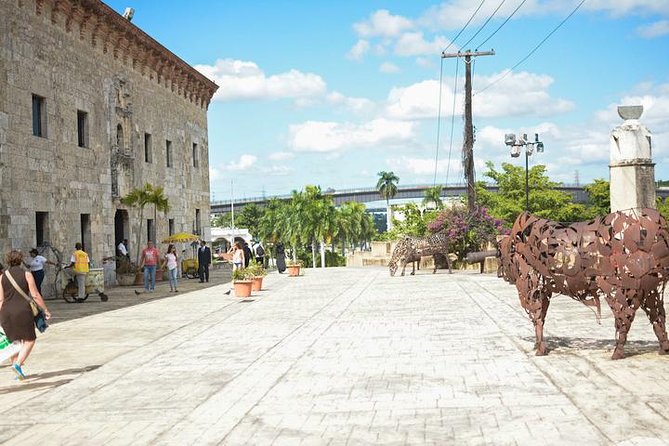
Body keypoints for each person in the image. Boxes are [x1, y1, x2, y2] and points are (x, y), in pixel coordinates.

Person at [0, 249, 52, 380]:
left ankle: (17, 371)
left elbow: (1, 299)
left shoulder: (2, 277)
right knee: (29, 339)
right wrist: (45, 309)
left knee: (14, 341)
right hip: (23, 310)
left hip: (6, 311)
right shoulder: (27, 275)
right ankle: (17, 364)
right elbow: (35, 295)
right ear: (20, 260)